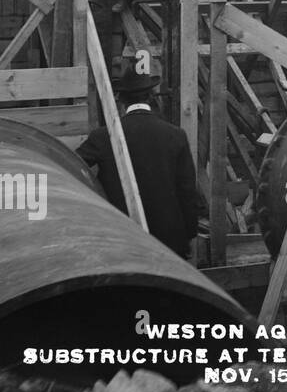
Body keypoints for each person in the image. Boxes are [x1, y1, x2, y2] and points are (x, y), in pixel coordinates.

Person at [76, 65, 199, 259]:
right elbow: (187, 190)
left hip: (122, 237)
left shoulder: (103, 136)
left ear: (121, 100)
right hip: (168, 241)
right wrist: (189, 233)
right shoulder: (175, 135)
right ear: (150, 98)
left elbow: (73, 166)